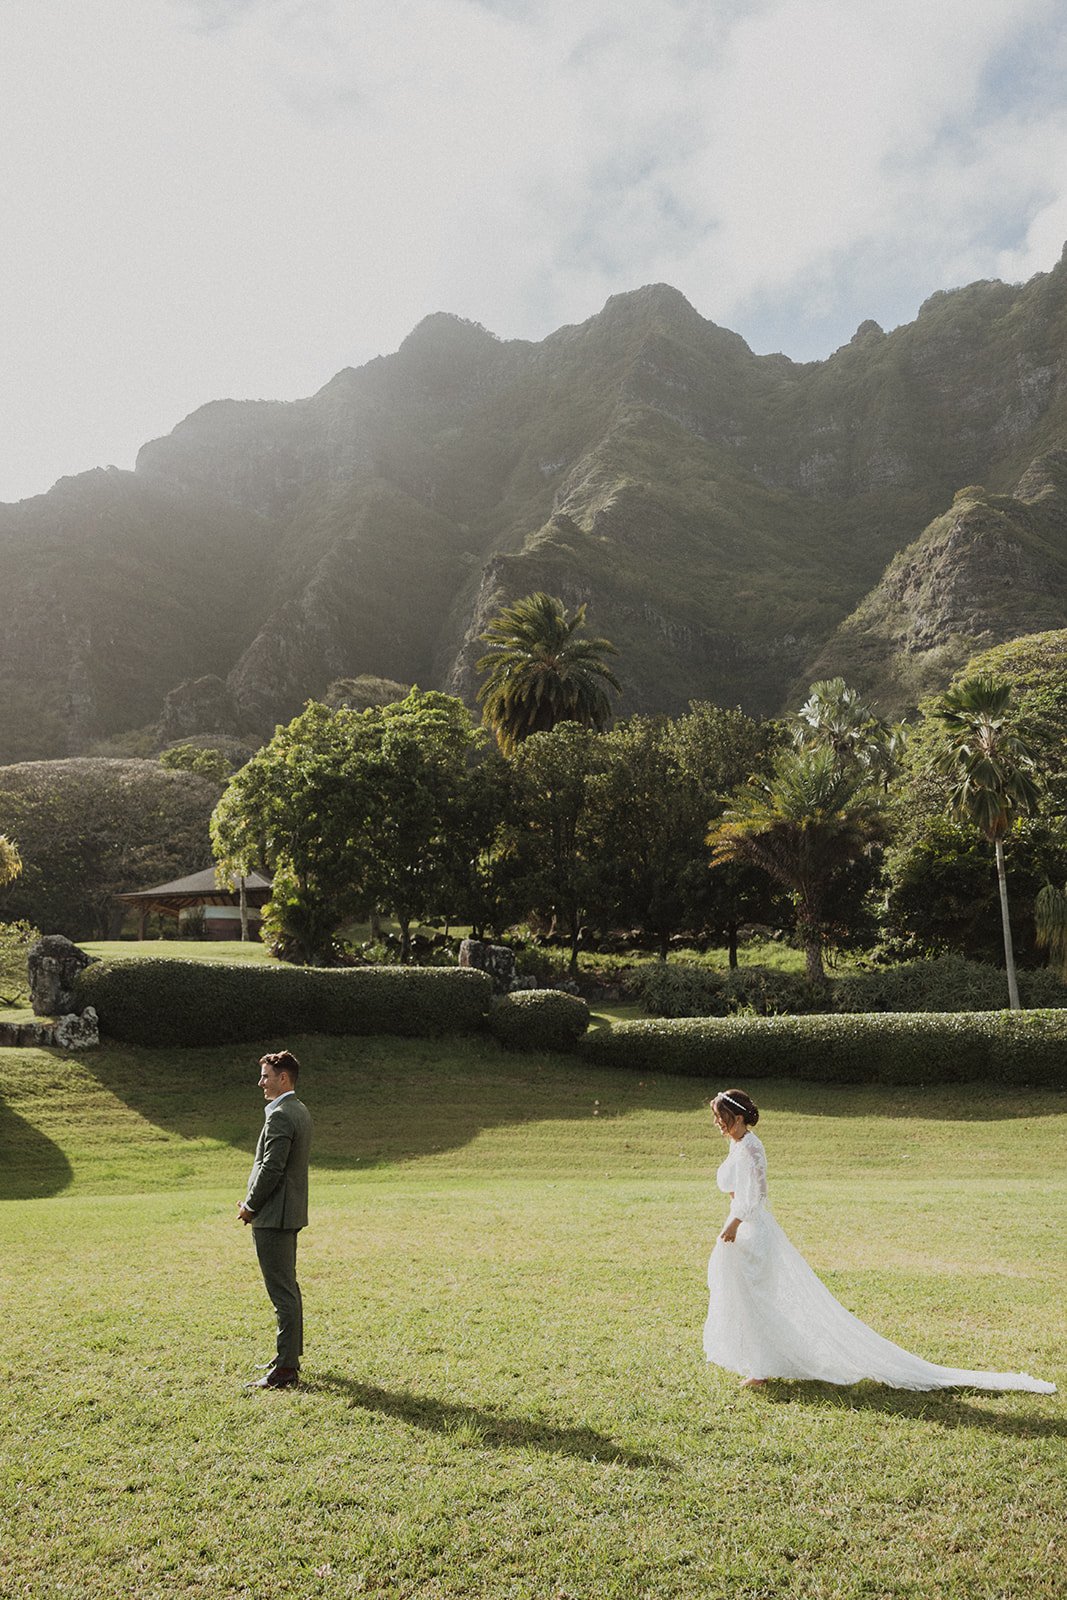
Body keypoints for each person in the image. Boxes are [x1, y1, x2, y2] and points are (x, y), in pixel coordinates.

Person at [703, 1088, 1056, 1393]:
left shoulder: (750, 1148)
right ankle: (759, 1363)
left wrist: (735, 1222)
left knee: (758, 1296)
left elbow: (755, 1197)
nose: (717, 1124)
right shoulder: (739, 1146)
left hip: (748, 1226)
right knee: (745, 1295)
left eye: (720, 1118)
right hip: (742, 1224)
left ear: (736, 1117)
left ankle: (762, 1368)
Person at [237, 1050, 313, 1390]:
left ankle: (285, 1370)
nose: (260, 1082)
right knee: (288, 1289)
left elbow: (272, 1168)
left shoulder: (282, 1114)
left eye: (266, 1075)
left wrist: (250, 1206)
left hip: (274, 1216)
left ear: (284, 1078)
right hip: (288, 1212)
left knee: (282, 1293)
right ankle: (287, 1357)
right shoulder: (299, 1110)